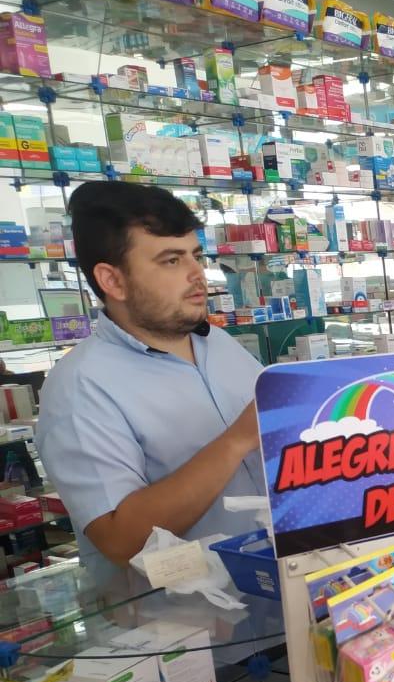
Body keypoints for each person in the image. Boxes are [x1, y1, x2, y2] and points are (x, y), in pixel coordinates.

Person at [37, 182, 265, 585]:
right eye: (171, 261)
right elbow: (119, 539)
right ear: (113, 281)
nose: (198, 275)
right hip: (189, 633)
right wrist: (238, 440)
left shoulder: (221, 345)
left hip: (281, 601)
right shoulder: (81, 388)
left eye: (196, 255)